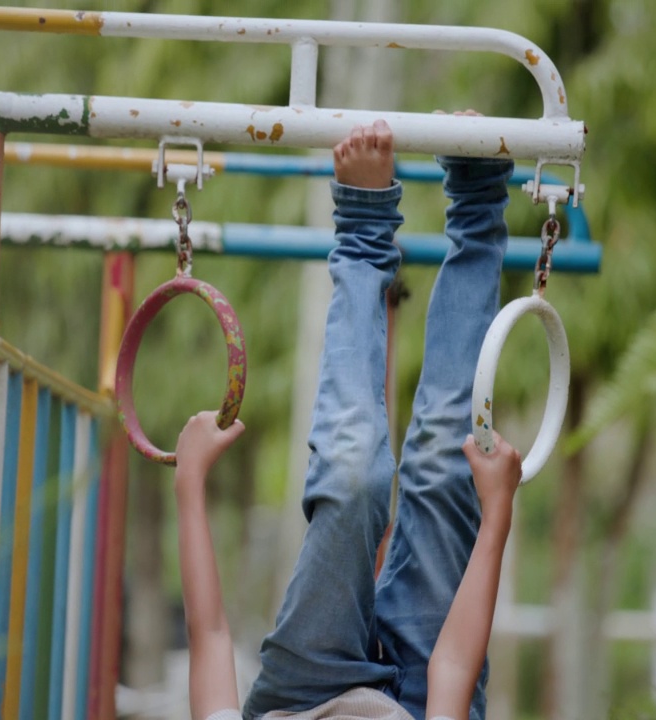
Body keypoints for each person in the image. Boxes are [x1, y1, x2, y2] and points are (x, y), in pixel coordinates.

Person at [172, 117, 523, 720]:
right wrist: (497, 514)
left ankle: (363, 225)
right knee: (446, 464)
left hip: (305, 687)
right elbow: (452, 669)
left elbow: (209, 639)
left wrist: (189, 482)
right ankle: (478, 198)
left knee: (354, 476)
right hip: (421, 700)